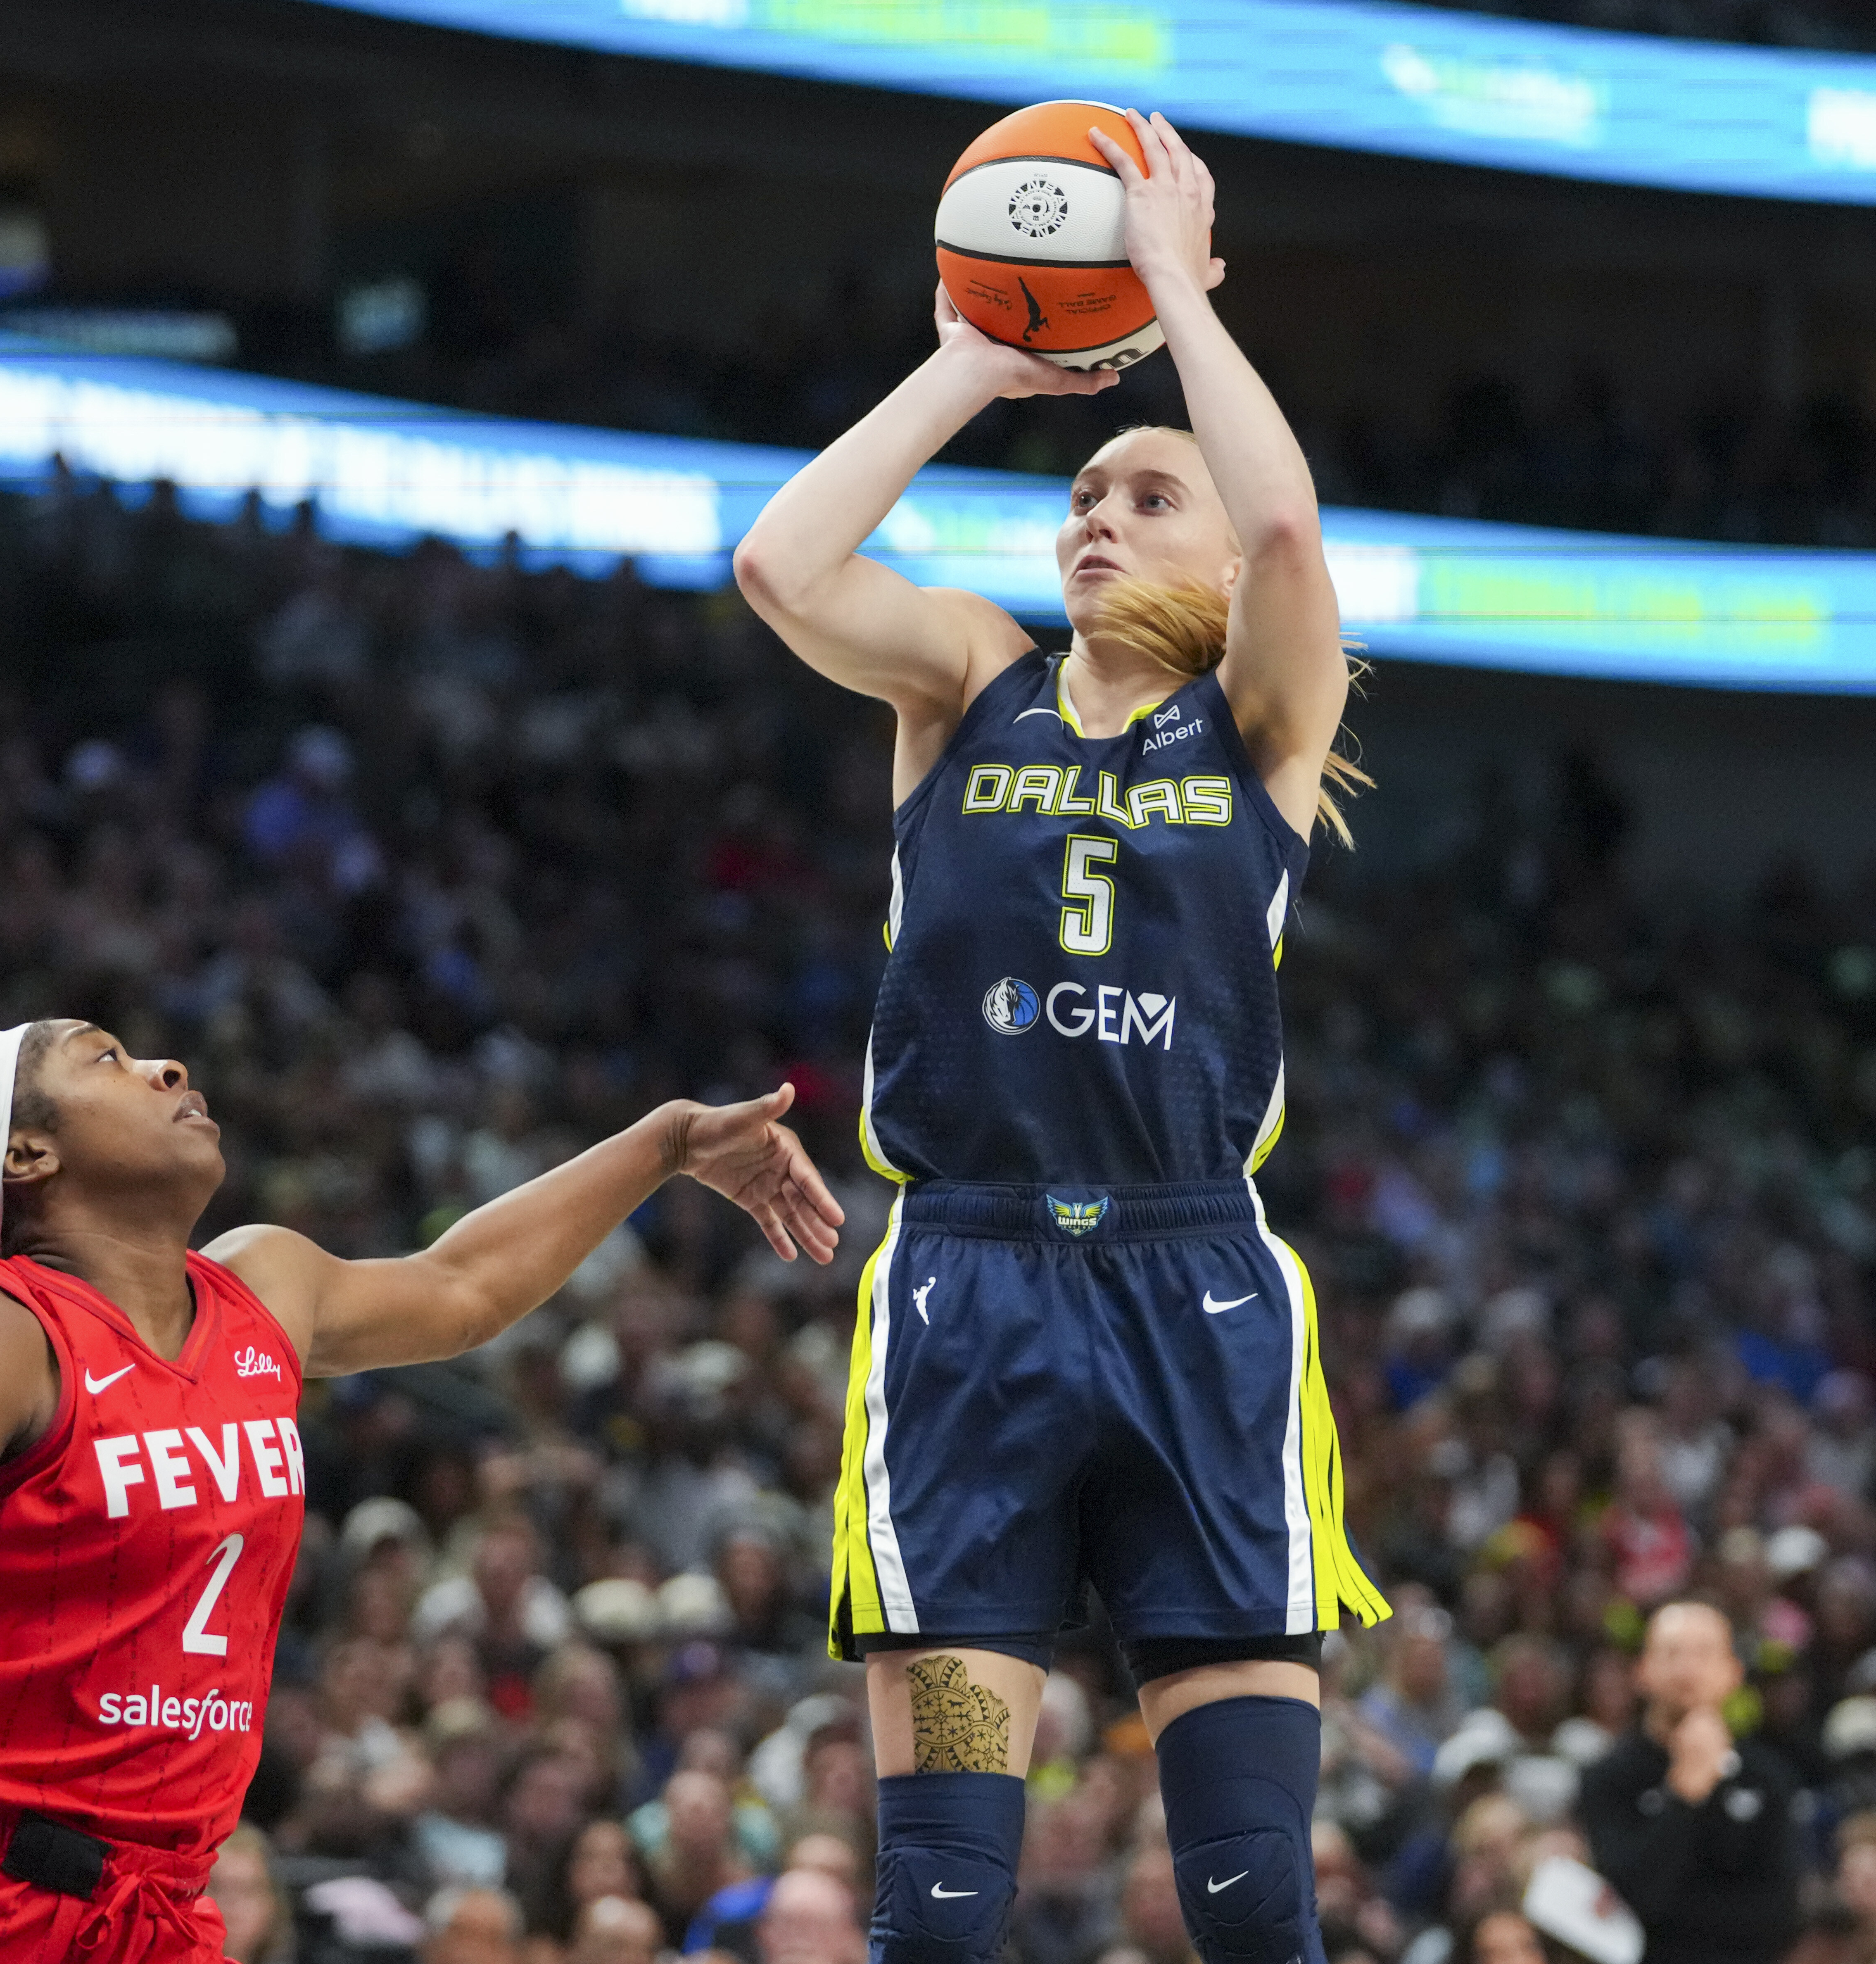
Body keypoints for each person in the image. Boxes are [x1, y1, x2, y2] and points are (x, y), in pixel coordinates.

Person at [731, 106, 1385, 1964]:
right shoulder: (962, 677)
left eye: (1139, 492)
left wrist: (1172, 283)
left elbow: (1277, 520)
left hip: (1199, 1303)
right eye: (1080, 490)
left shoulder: (1257, 711)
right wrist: (962, 358)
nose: (1095, 511)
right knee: (938, 1898)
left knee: (1255, 1894)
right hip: (966, 1305)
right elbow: (781, 567)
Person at [0, 1020, 839, 1962]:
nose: (168, 1067)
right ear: (28, 1151)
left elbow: (465, 1287)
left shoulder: (265, 1286)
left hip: (160, 1911)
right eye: (108, 1060)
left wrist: (667, 1143)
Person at [1574, 1602, 1802, 1964]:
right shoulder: (1607, 1777)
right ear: (1641, 1671)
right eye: (1671, 1653)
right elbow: (1633, 1898)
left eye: (1704, 1654)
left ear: (1733, 1673)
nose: (1687, 1669)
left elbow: (1779, 1915)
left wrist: (1670, 1913)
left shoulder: (1769, 1777)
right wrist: (1683, 1793)